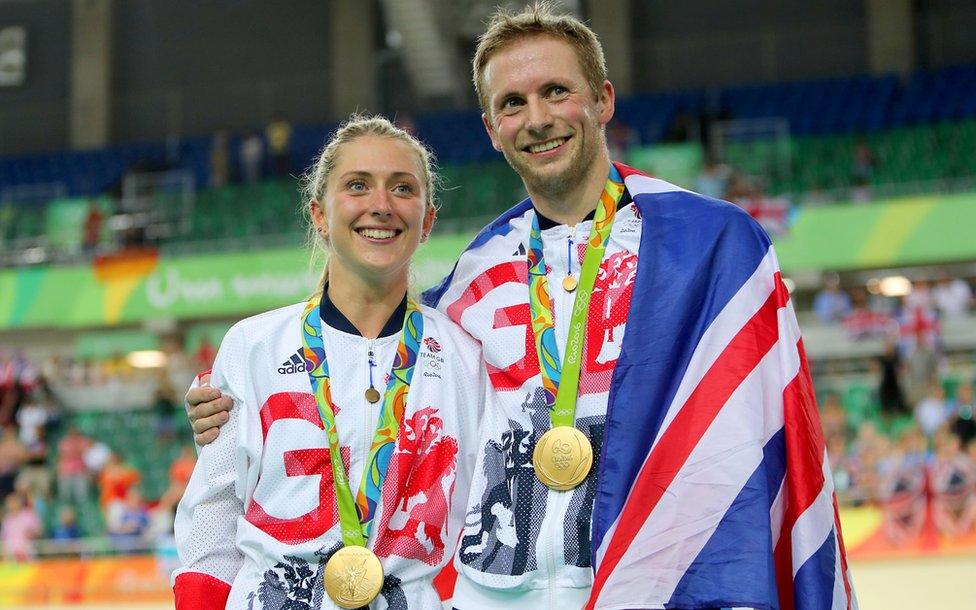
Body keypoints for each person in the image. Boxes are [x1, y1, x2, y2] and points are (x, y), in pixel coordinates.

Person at [187, 4, 855, 609]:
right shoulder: (472, 280)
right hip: (495, 594)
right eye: (513, 102)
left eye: (556, 91)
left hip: (649, 581)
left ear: (603, 100)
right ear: (491, 128)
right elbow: (378, 388)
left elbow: (774, 424)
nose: (536, 117)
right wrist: (235, 414)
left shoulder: (711, 246)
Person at [173, 115, 485, 610]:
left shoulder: (466, 358)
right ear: (319, 214)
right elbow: (214, 516)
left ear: (427, 221)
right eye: (358, 185)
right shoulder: (252, 347)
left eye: (402, 188)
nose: (381, 206)